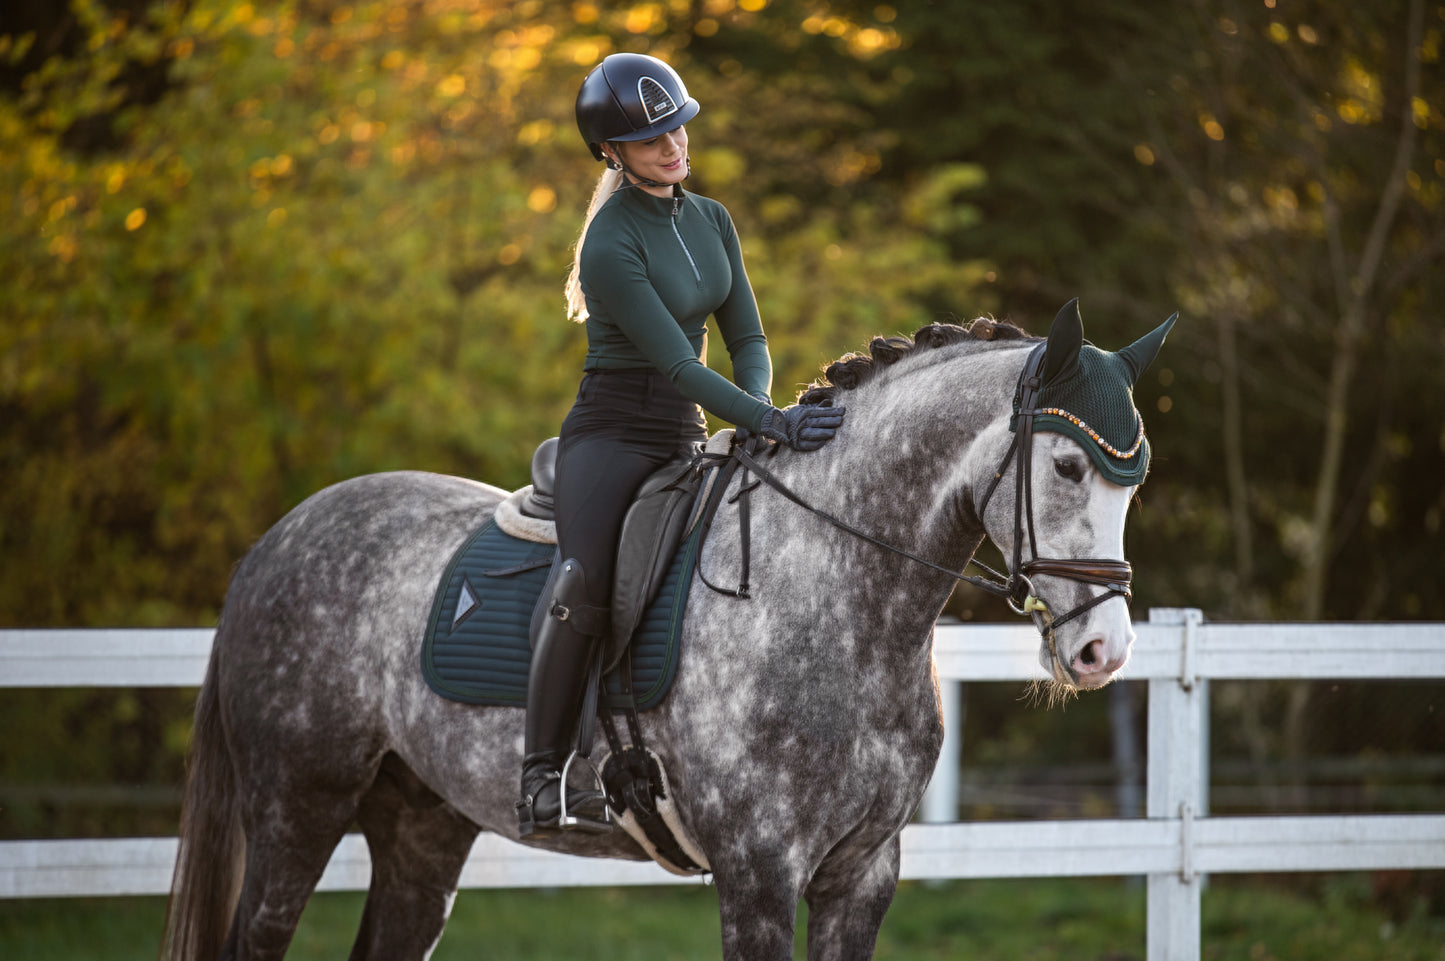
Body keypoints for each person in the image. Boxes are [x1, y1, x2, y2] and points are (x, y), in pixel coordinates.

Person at [516, 52, 846, 837]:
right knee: (581, 581)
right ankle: (541, 774)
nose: (674, 146)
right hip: (612, 432)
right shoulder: (608, 243)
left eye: (677, 128)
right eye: (652, 138)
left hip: (687, 431)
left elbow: (747, 334)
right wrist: (768, 424)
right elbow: (673, 362)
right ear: (611, 152)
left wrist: (762, 406)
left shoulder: (712, 218)